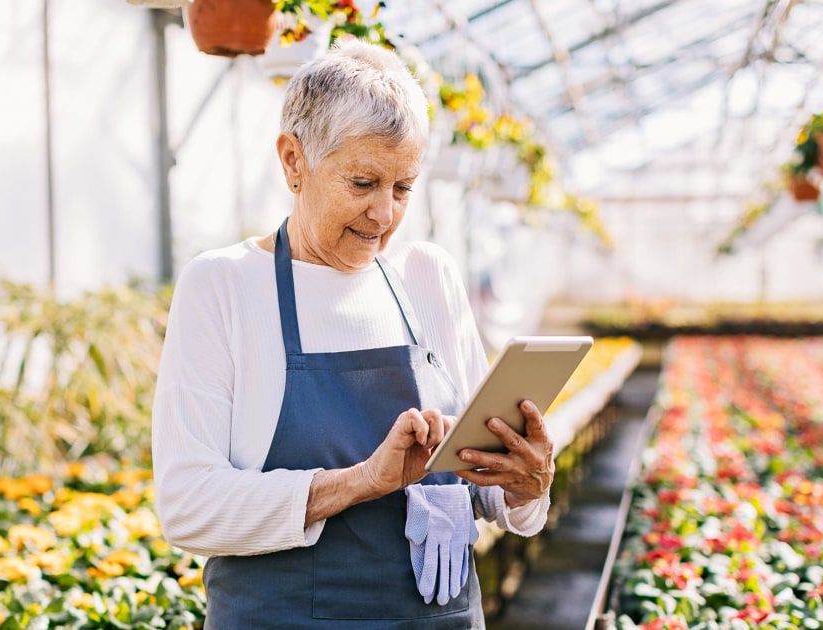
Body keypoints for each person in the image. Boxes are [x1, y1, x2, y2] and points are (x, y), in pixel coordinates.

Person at [152, 39, 553, 629]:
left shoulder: (428, 276)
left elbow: (486, 486)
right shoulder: (226, 286)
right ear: (293, 160)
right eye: (363, 183)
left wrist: (526, 484)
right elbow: (188, 508)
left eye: (403, 187)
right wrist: (362, 482)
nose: (385, 214)